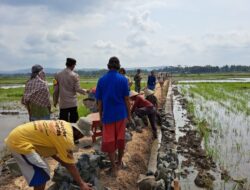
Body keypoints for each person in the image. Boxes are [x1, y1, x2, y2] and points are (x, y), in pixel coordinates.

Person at [5, 120, 92, 190]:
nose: (82, 138)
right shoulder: (67, 139)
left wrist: (61, 161)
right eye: (83, 136)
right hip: (19, 142)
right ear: (79, 133)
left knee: (44, 170)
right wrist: (82, 184)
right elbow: (70, 165)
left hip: (20, 135)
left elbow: (49, 145)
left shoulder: (64, 124)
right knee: (42, 171)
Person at [95, 56, 131, 177]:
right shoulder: (123, 80)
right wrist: (129, 115)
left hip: (108, 115)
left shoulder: (101, 80)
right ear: (118, 66)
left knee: (110, 141)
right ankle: (119, 162)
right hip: (121, 114)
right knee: (120, 139)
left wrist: (100, 117)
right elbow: (127, 99)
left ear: (108, 66)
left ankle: (114, 167)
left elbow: (99, 102)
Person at [53, 58, 88, 122]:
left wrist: (55, 101)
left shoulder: (57, 75)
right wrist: (86, 91)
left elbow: (55, 90)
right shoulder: (75, 75)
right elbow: (77, 89)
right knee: (74, 124)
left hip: (63, 104)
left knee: (63, 124)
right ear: (73, 65)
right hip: (73, 103)